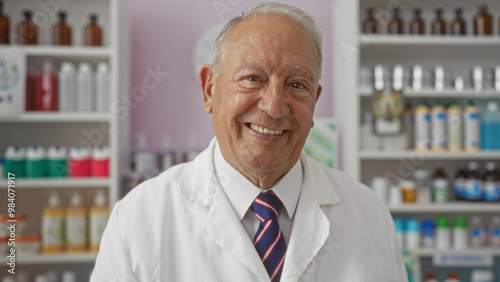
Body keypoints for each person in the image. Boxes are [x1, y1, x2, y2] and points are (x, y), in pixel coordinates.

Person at [91, 3, 408, 282]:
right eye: (252, 78)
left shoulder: (370, 216)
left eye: (297, 84)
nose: (274, 106)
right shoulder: (139, 220)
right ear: (209, 90)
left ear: (314, 101)